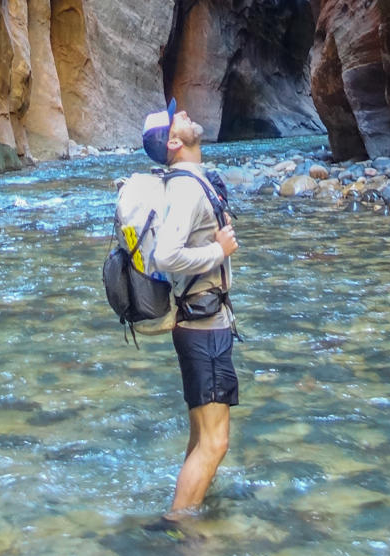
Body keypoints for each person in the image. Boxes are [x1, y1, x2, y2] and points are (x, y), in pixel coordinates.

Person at [143, 99, 240, 517]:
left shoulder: (189, 181)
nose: (184, 114)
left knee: (203, 436)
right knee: (216, 442)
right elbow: (166, 255)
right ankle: (177, 528)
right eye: (176, 117)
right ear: (174, 141)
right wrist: (217, 253)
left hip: (198, 322)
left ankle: (195, 508)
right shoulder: (184, 188)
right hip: (203, 327)